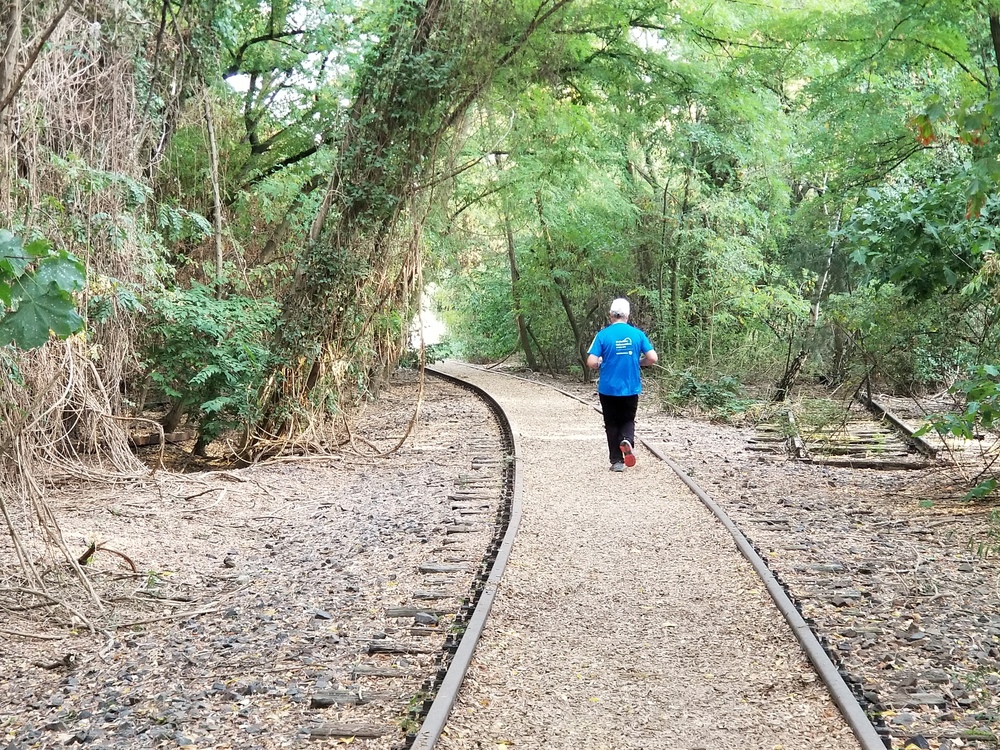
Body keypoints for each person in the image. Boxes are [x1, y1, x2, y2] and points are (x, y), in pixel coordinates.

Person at [586, 298, 658, 472]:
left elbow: (591, 361)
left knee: (611, 422)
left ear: (611, 315)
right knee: (627, 419)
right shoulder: (637, 334)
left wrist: (600, 363)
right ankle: (626, 440)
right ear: (627, 315)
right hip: (630, 386)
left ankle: (617, 461)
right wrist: (638, 362)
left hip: (608, 388)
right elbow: (653, 358)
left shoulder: (603, 335)